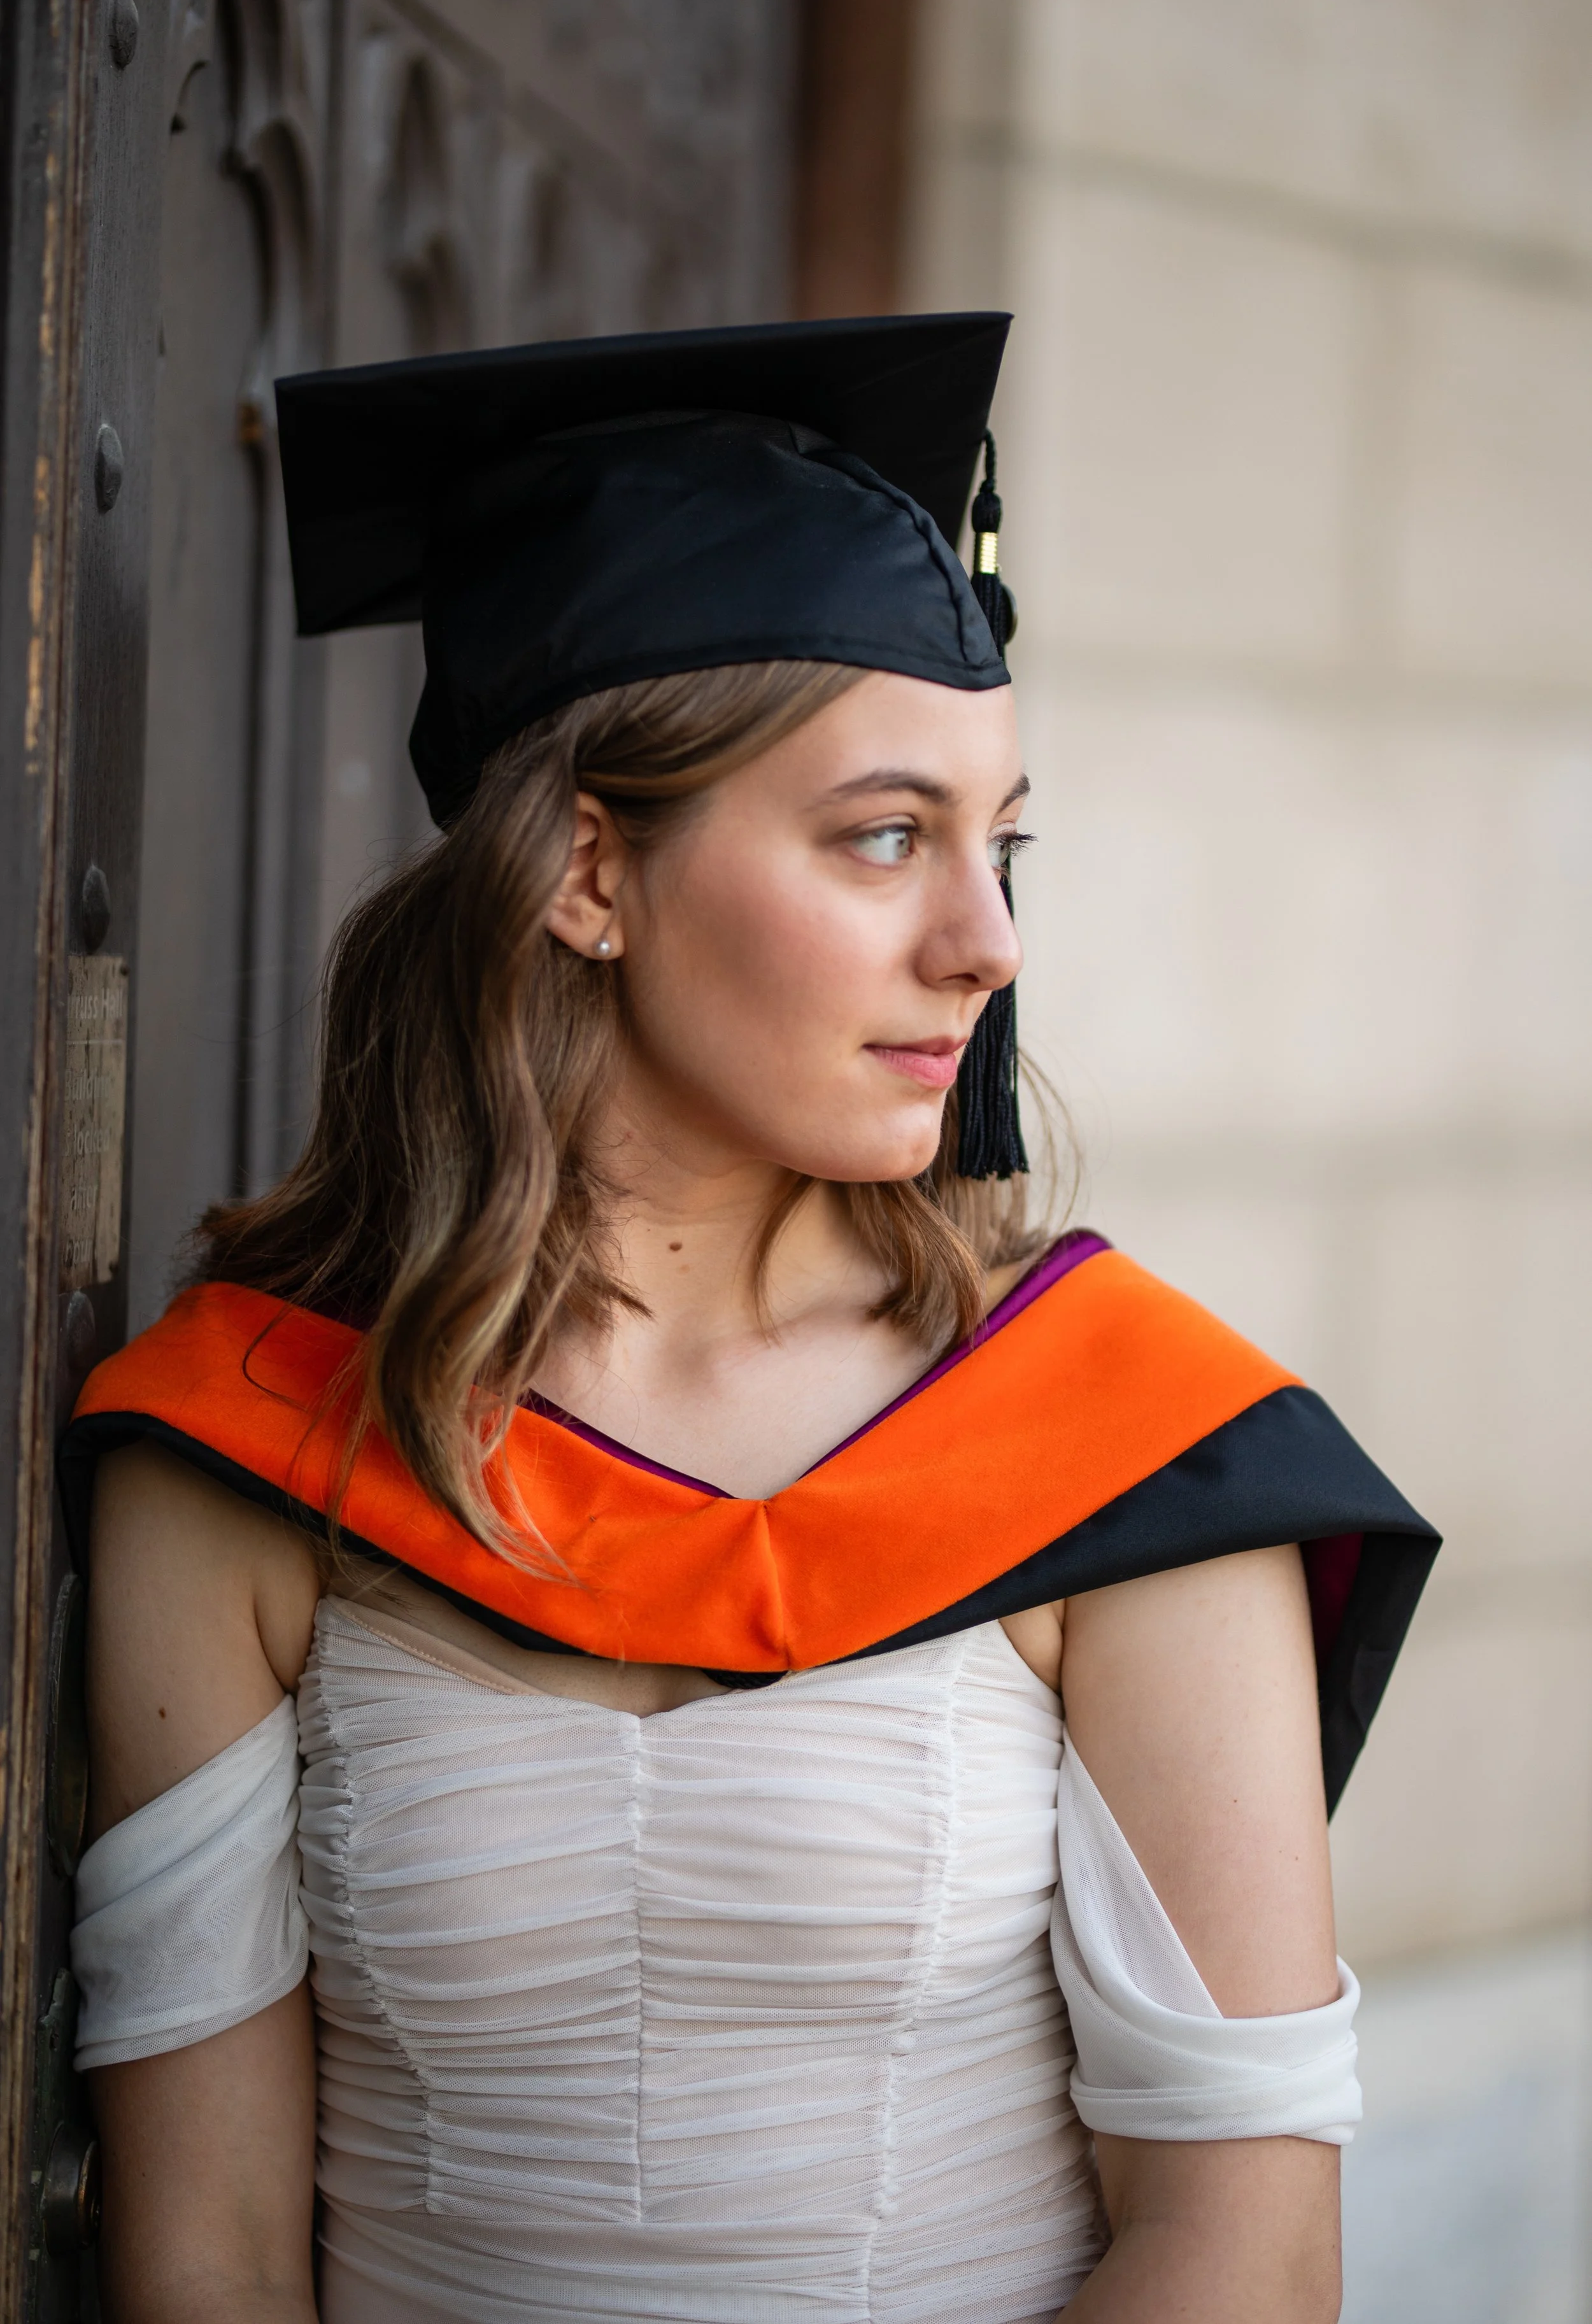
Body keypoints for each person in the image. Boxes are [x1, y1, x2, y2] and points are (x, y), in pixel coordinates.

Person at [60, 315, 1437, 2324]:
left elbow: (1242, 2250)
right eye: (886, 835)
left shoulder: (1130, 1445)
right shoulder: (255, 1444)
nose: (987, 941)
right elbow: (208, 2251)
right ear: (590, 871)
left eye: (1001, 840)